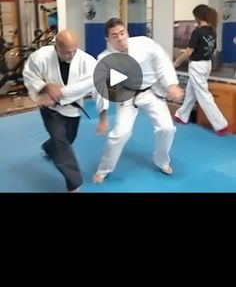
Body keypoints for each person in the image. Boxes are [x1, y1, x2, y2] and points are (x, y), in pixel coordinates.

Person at [93, 18, 184, 183]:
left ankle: (162, 161)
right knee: (120, 134)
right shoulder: (104, 59)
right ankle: (104, 169)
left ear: (127, 31)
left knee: (167, 128)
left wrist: (171, 85)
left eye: (122, 33)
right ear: (108, 39)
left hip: (150, 92)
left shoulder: (144, 43)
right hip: (126, 97)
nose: (120, 38)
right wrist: (103, 117)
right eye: (115, 35)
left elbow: (162, 61)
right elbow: (103, 89)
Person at [23, 29, 103, 192]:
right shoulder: (40, 57)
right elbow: (30, 75)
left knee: (68, 139)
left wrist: (103, 116)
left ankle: (48, 147)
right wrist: (44, 86)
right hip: (49, 107)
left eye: (74, 50)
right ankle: (74, 183)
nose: (71, 55)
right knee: (61, 141)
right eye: (67, 52)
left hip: (73, 109)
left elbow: (99, 87)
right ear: (56, 47)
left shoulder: (87, 61)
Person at [173, 4, 229, 135]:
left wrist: (176, 63)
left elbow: (188, 52)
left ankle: (221, 125)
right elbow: (212, 49)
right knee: (191, 90)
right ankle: (182, 115)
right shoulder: (212, 31)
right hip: (207, 64)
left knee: (203, 95)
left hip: (197, 65)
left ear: (198, 17)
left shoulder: (198, 31)